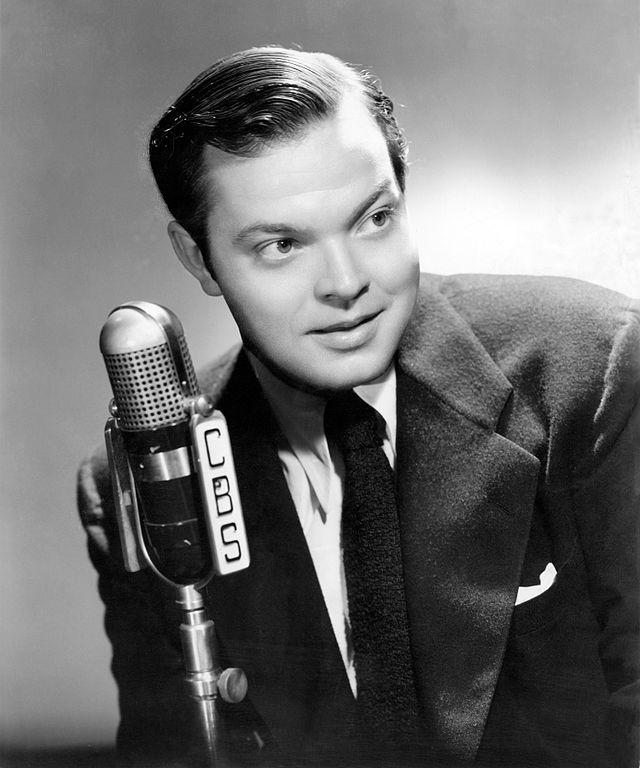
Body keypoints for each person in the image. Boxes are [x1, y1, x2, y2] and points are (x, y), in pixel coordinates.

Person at [78, 47, 639, 768]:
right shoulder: (140, 485)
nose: (346, 283)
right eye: (282, 245)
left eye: (374, 218)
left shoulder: (593, 369)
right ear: (197, 257)